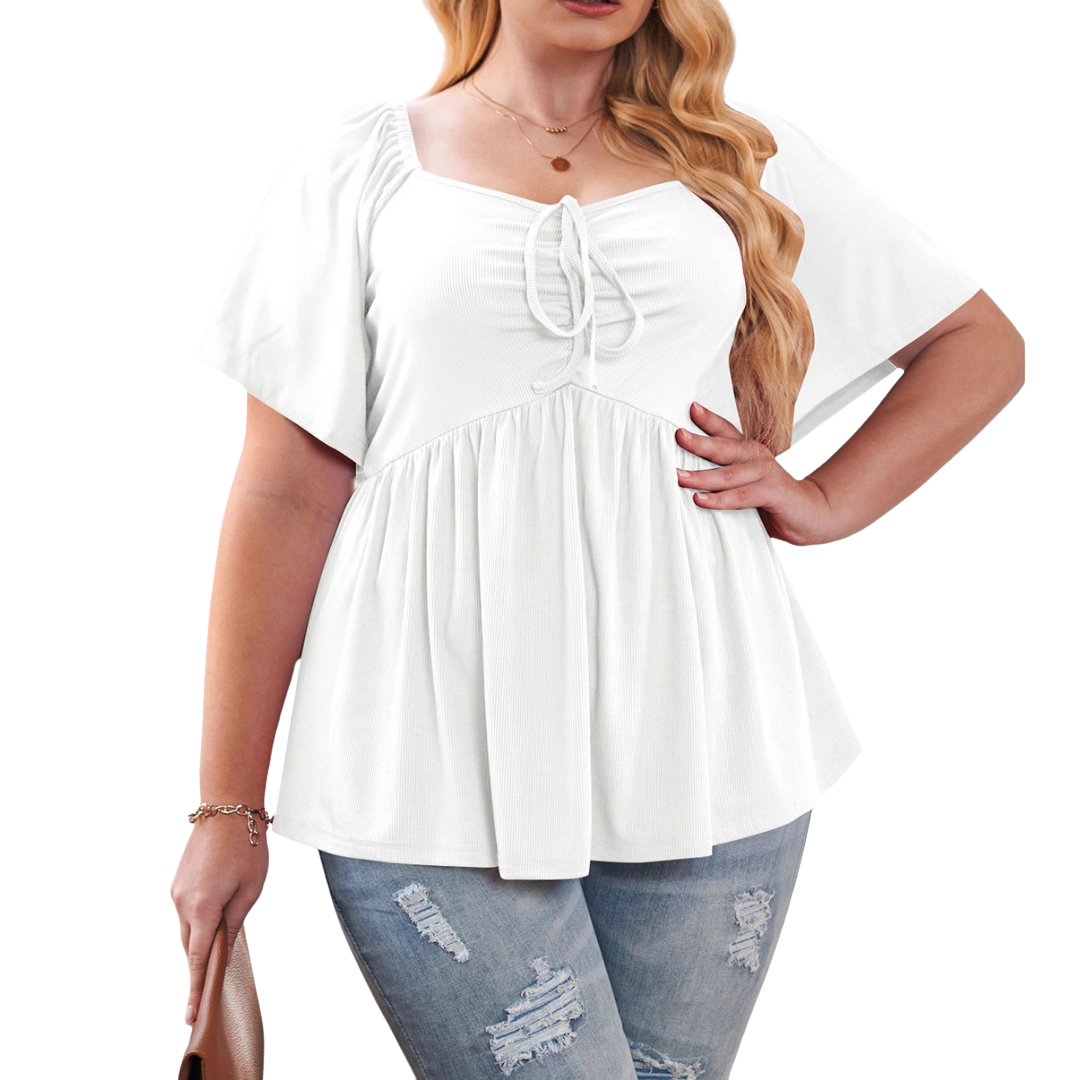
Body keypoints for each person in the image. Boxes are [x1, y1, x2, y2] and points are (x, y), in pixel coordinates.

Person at [171, 0, 1024, 1076]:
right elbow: (287, 493)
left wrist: (823, 499)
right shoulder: (361, 169)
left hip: (712, 748)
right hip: (422, 754)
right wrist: (228, 808)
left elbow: (977, 345)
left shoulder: (736, 158)